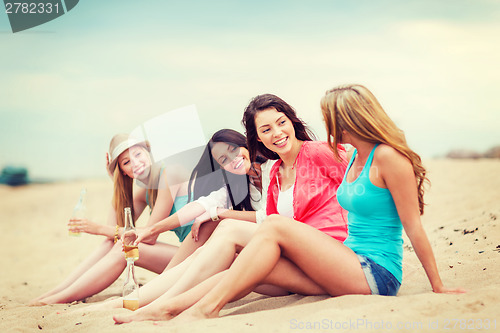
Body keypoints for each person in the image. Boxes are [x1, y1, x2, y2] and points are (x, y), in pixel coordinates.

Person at [115, 86, 465, 324]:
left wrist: (438, 285)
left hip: (374, 272)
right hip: (337, 262)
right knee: (242, 265)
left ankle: (202, 308)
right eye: (265, 129)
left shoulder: (372, 157)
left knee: (268, 228)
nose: (327, 125)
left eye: (332, 118)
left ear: (351, 119)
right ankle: (162, 306)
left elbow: (413, 224)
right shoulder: (353, 156)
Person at [112, 93, 349, 324]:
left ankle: (157, 304)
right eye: (266, 130)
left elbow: (361, 167)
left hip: (329, 257)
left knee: (227, 228)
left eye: (281, 123)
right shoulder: (276, 172)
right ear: (257, 137)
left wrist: (222, 214)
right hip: (299, 262)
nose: (276, 133)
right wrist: (151, 230)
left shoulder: (314, 153)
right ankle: (151, 304)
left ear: (291, 121)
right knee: (231, 263)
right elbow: (202, 205)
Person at [28, 133, 218, 305]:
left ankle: (61, 298)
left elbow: (148, 236)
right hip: (189, 256)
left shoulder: (170, 173)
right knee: (112, 244)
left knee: (124, 249)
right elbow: (114, 231)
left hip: (209, 258)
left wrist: (97, 228)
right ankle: (56, 293)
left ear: (148, 153)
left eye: (138, 154)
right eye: (126, 162)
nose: (135, 163)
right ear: (124, 171)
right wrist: (116, 183)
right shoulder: (146, 189)